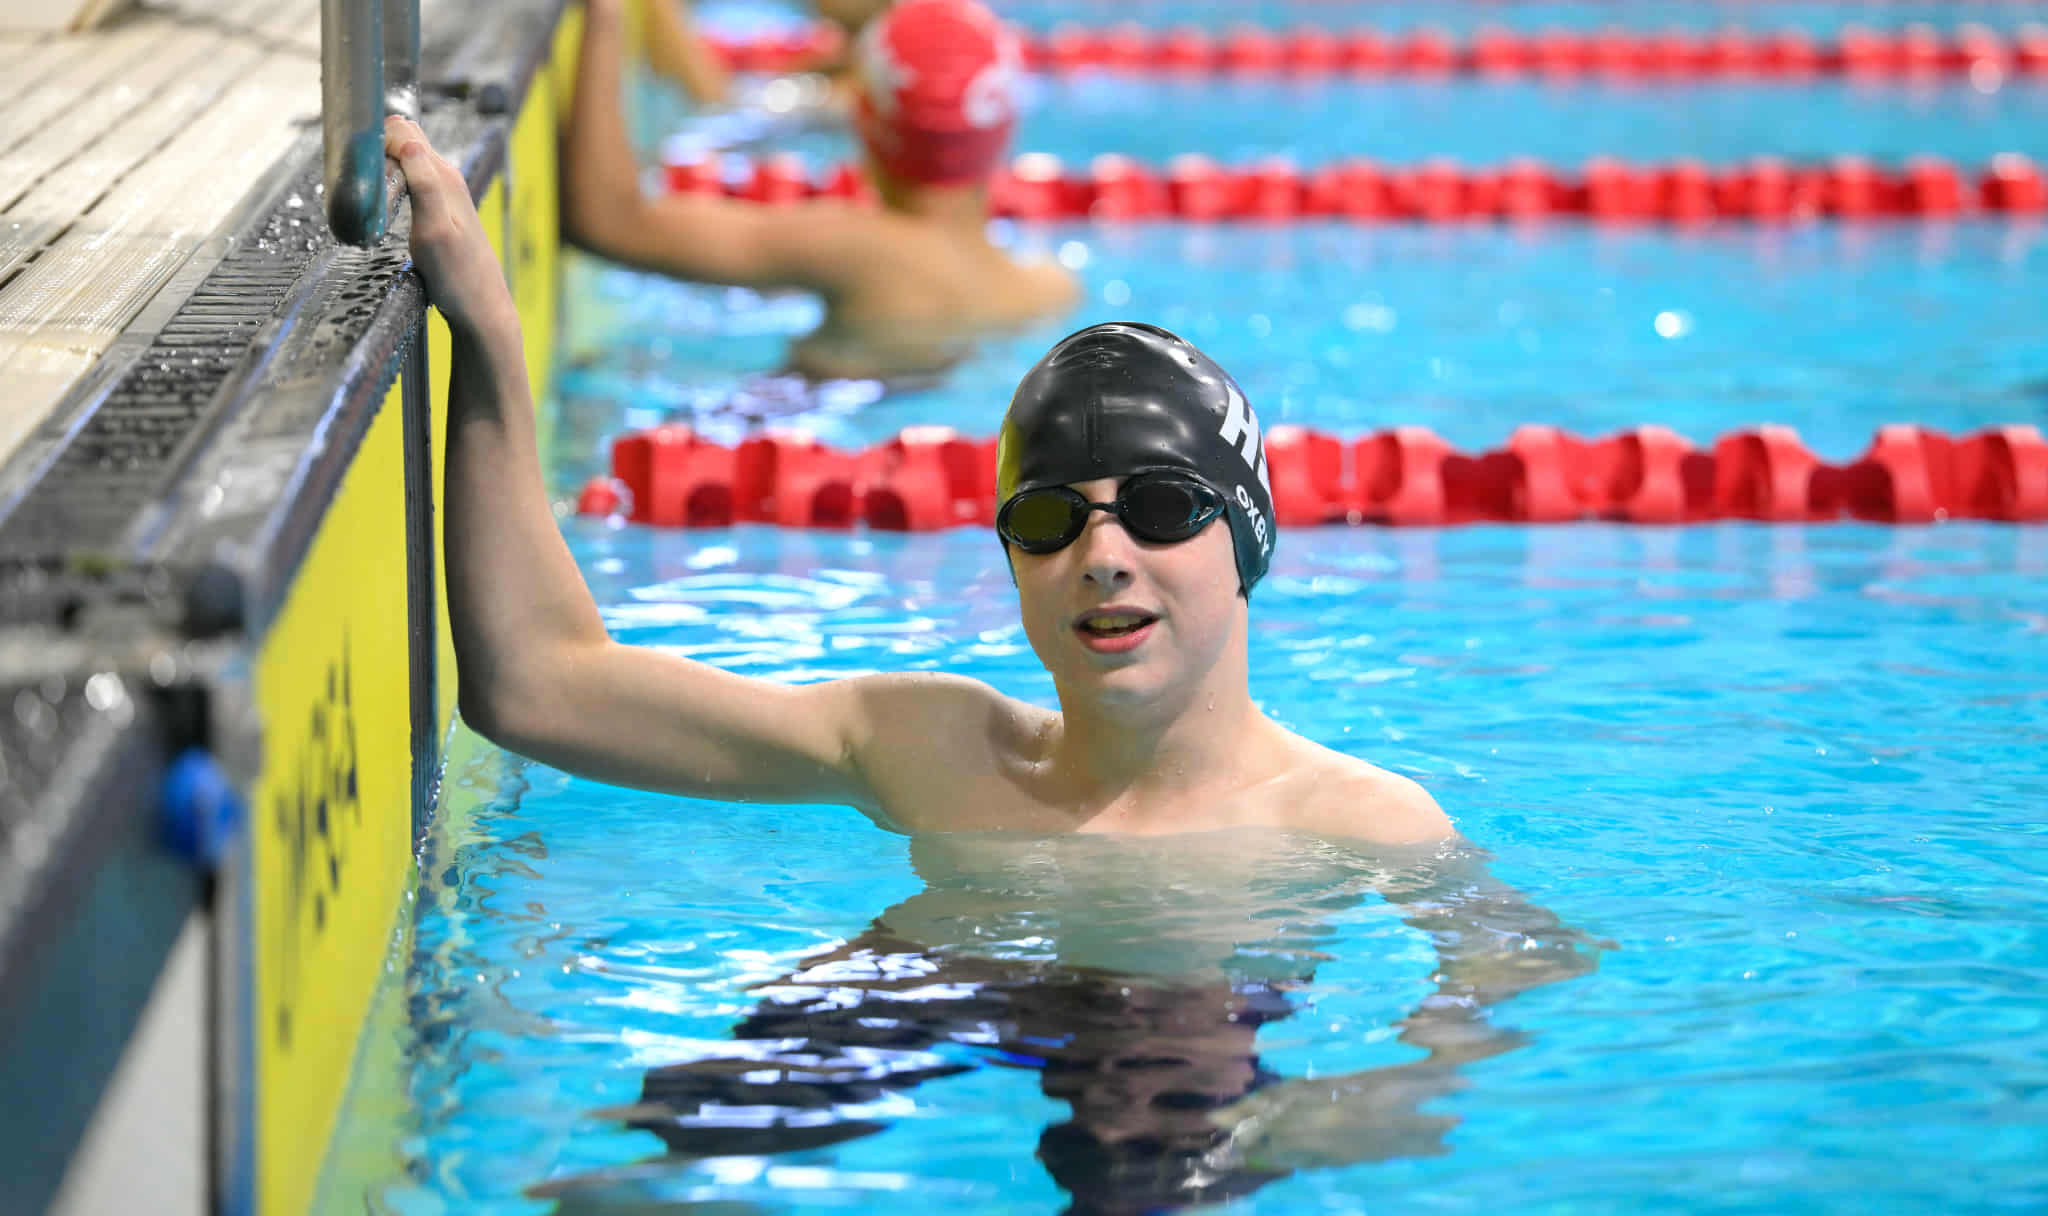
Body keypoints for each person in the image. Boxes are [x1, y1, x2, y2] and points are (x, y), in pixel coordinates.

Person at [386, 102, 1607, 1205]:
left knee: (1155, 1162)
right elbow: (537, 686)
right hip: (941, 981)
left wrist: (1381, 1091)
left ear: (1246, 540)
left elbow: (1522, 958)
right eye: (1049, 518)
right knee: (624, 1187)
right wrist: (487, 337)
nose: (1103, 555)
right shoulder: (927, 746)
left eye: (1161, 508)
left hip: (1182, 1046)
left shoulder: (1354, 818)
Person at [562, 0, 1078, 383]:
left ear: (866, 123)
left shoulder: (858, 249)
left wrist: (604, 15)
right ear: (1005, 130)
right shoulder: (1048, 289)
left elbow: (609, 222)